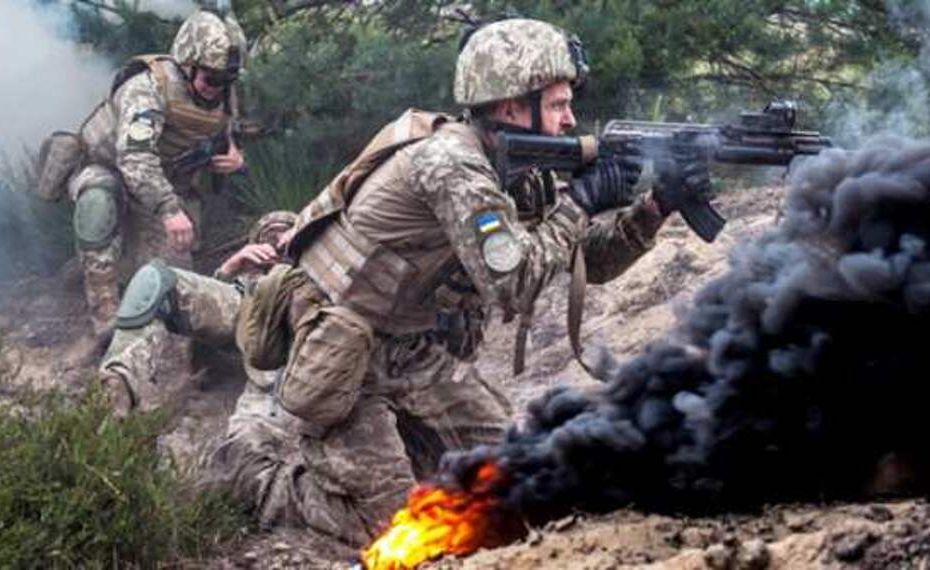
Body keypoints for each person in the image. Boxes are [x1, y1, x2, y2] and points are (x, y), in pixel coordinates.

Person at [98, 17, 712, 546]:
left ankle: (408, 445)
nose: (570, 119)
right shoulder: (451, 164)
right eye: (557, 105)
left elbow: (586, 261)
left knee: (518, 479)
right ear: (510, 106)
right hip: (344, 352)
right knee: (397, 529)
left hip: (415, 352)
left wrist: (654, 208)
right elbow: (515, 284)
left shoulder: (520, 169)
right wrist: (580, 203)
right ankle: (253, 473)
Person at [66, 8, 247, 343]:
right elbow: (134, 157)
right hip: (110, 169)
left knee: (173, 285)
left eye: (226, 81)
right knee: (97, 205)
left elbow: (228, 132)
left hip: (162, 184)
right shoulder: (147, 88)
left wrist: (235, 157)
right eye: (210, 79)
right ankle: (105, 316)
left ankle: (121, 263)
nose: (217, 88)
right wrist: (169, 209)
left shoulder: (222, 92)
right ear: (187, 64)